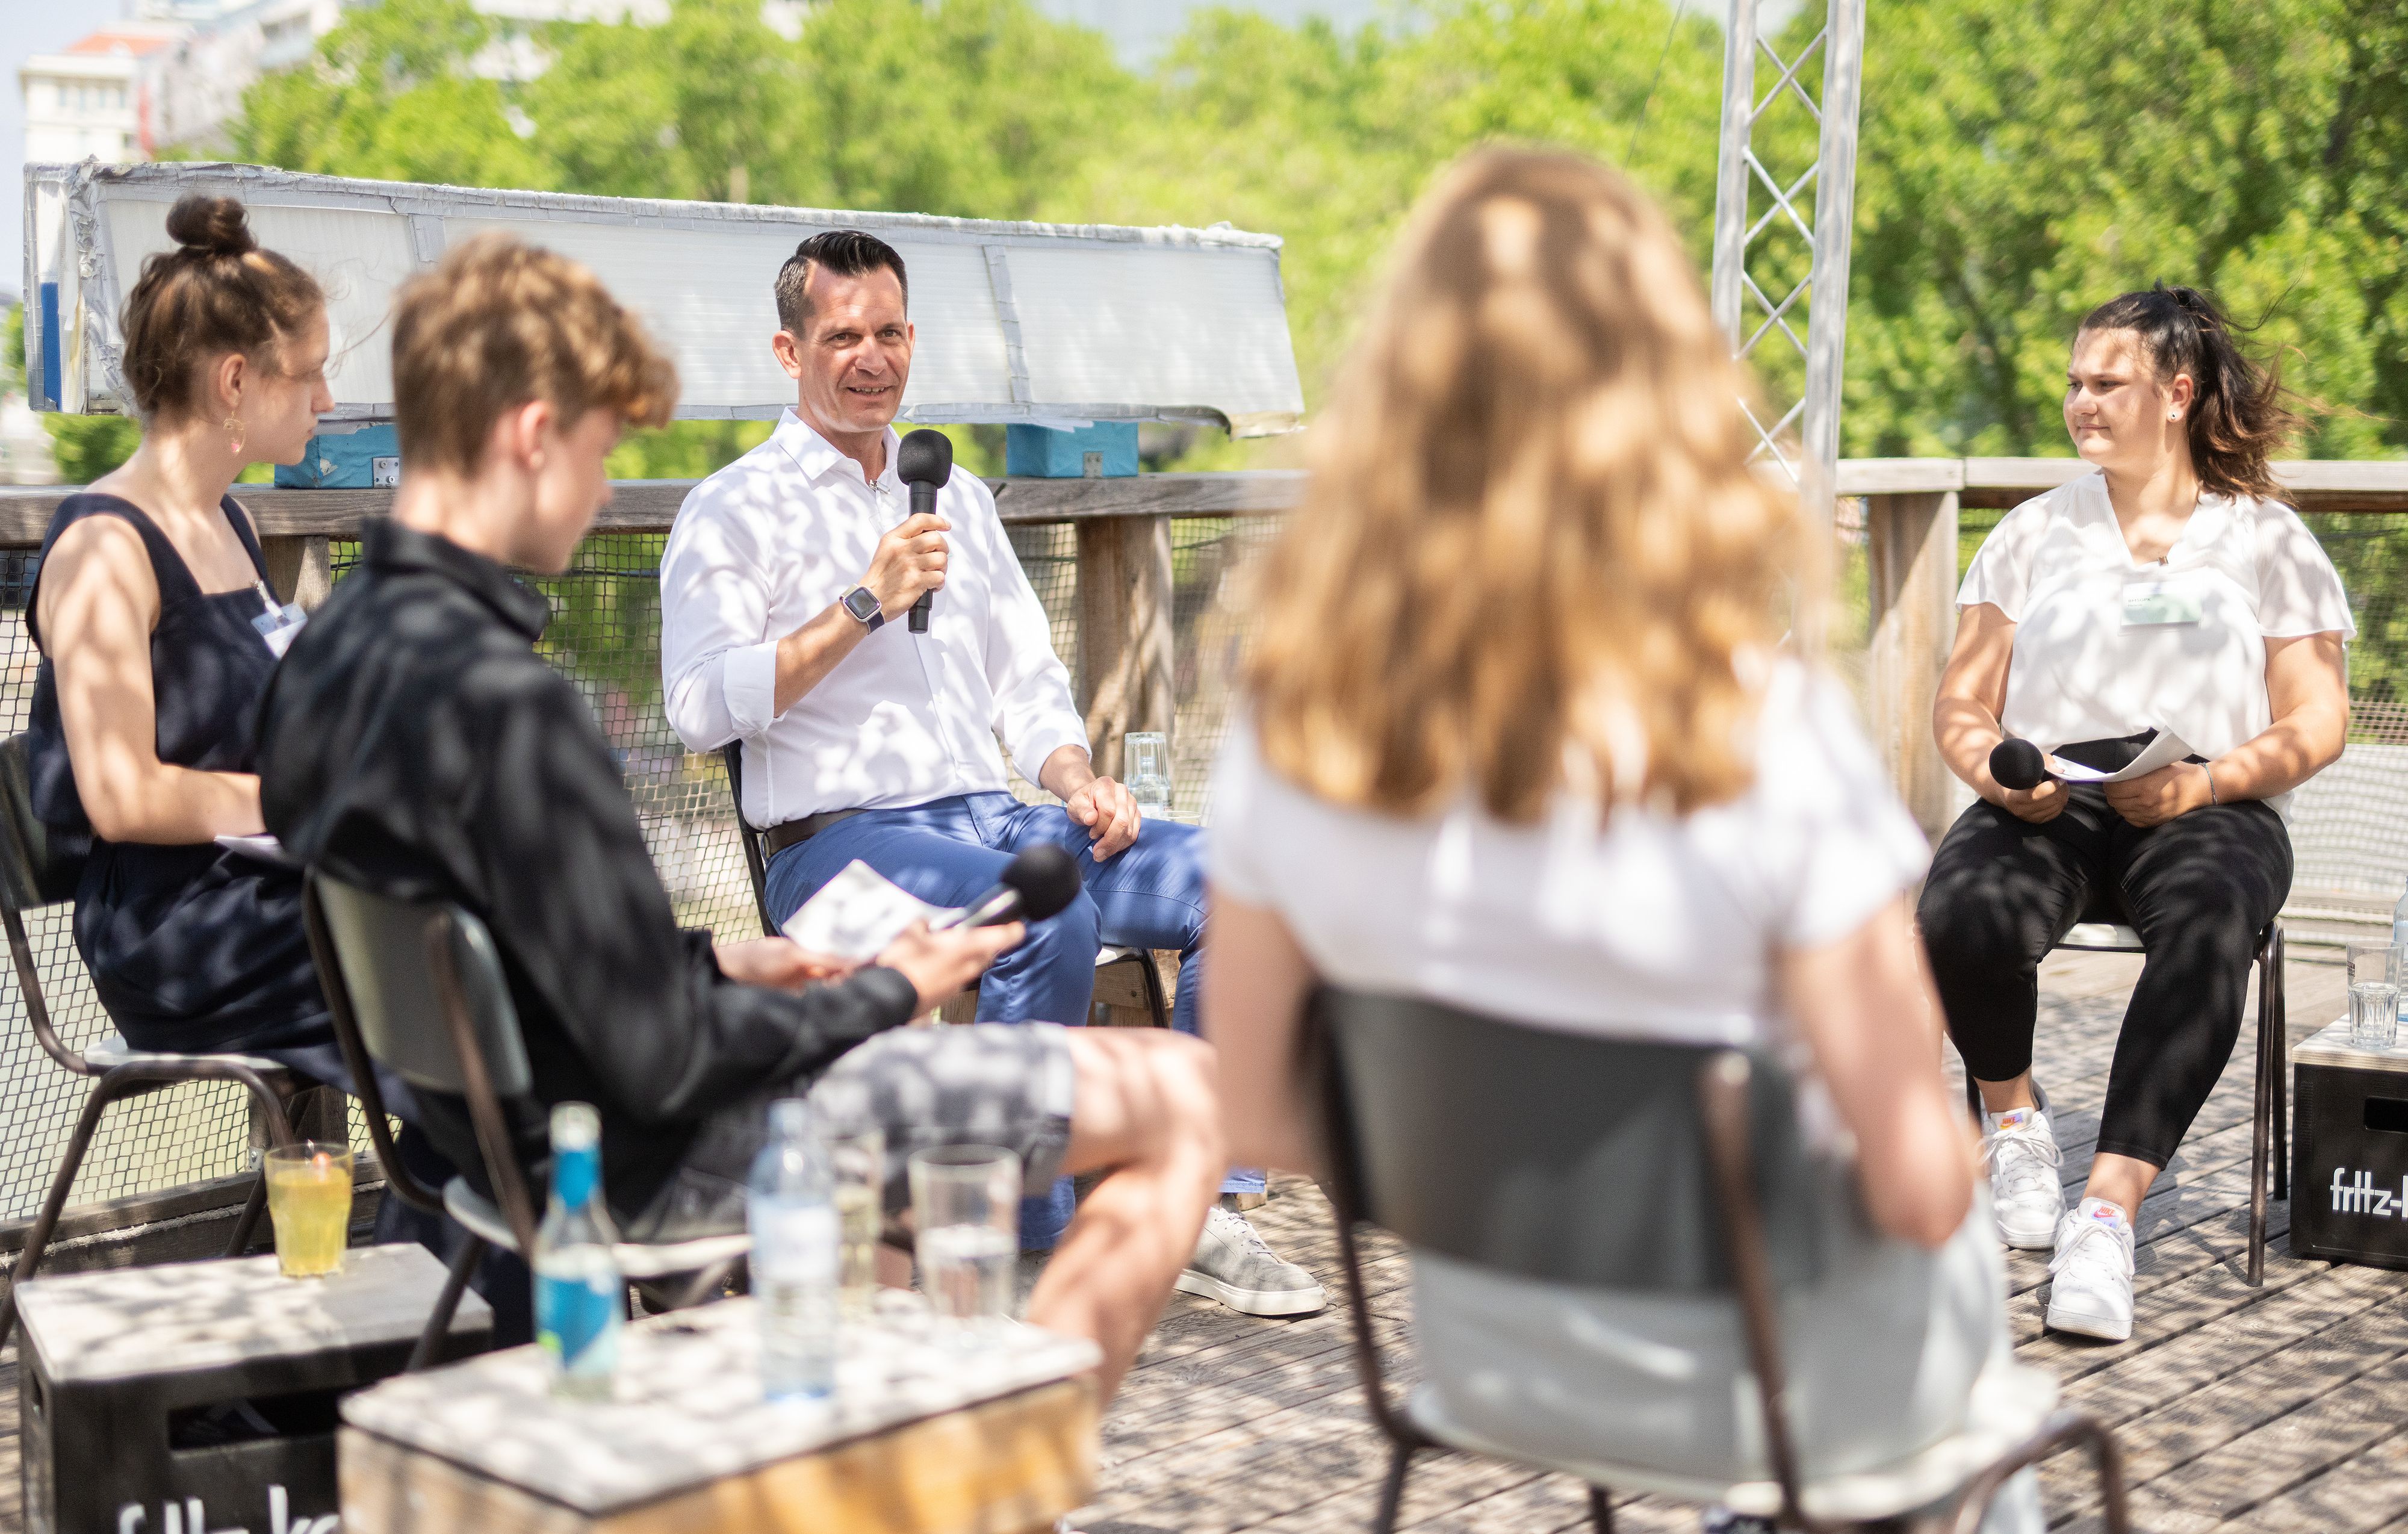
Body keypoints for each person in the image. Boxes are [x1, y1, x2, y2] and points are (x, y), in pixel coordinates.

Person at [1201, 148, 2040, 1532]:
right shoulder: (1762, 731)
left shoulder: (1289, 735)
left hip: (1502, 1364)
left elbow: (1257, 1108)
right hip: (1786, 1382)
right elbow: (1919, 1173)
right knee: (1948, 1311)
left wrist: (1503, 1160)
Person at [256, 235, 1227, 1397]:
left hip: (486, 1152)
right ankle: (1021, 1425)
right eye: (601, 450)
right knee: (1182, 1098)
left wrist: (726, 958)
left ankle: (952, 1379)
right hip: (648, 1160)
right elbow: (665, 1062)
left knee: (1186, 934)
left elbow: (557, 969)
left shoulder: (330, 660)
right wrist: (888, 992)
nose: (605, 489)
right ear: (531, 435)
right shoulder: (511, 711)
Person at [656, 229, 1321, 1315]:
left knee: (1244, 886)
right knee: (1034, 920)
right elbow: (696, 710)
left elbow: (1026, 676)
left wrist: (1075, 779)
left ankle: (1202, 1197)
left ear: (913, 338)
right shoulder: (733, 507)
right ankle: (1019, 1249)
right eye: (840, 337)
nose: (870, 359)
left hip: (1000, 817)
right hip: (837, 849)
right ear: (788, 352)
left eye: (888, 334)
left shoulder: (952, 490)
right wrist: (860, 604)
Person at [1918, 285, 2351, 1341]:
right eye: (2074, 382)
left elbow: (2318, 720)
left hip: (2211, 800)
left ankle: (2105, 1218)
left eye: (2106, 382)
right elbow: (1962, 702)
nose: (2081, 401)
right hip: (2052, 796)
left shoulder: (2268, 539)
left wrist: (2205, 784)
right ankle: (2014, 1121)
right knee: (1956, 909)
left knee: (2209, 932)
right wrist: (1996, 773)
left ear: (2177, 392)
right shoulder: (2029, 532)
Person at [22, 194, 338, 1069]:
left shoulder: (230, 523)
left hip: (267, 892)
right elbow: (123, 797)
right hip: (180, 935)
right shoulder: (103, 549)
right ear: (236, 382)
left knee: (482, 926)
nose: (328, 396)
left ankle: (468, 1186)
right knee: (445, 955)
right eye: (309, 372)